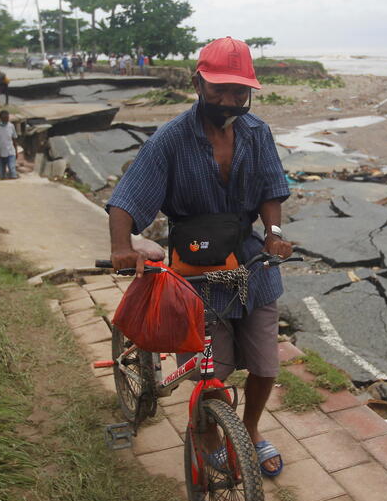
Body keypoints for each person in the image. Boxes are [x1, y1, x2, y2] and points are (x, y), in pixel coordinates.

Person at [106, 37, 292, 477]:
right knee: (213, 369)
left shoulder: (257, 132)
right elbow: (126, 199)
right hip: (195, 263)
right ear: (197, 84)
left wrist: (275, 234)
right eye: (219, 89)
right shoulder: (170, 139)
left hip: (249, 261)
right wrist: (120, 246)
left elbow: (271, 189)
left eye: (239, 91)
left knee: (266, 364)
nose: (229, 99)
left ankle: (248, 431)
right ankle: (208, 433)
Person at [0, 109, 19, 179]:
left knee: (12, 170)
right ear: (0, 118)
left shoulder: (11, 126)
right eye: (4, 118)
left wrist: (16, 151)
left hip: (10, 152)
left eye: (7, 118)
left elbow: (14, 139)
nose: (6, 120)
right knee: (1, 174)